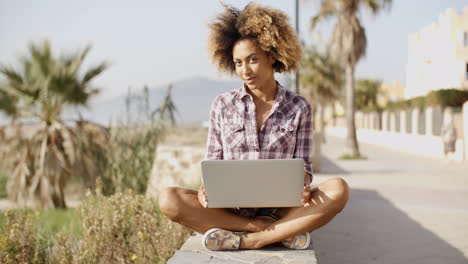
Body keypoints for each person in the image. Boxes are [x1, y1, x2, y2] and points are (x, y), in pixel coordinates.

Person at [158, 2, 350, 251]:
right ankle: (261, 229)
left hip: (280, 208)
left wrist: (303, 188)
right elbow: (213, 162)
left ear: (271, 55)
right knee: (168, 199)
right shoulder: (222, 105)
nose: (245, 70)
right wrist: (206, 189)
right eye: (238, 63)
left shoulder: (299, 107)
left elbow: (304, 166)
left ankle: (252, 239)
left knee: (338, 190)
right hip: (231, 206)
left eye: (252, 60)